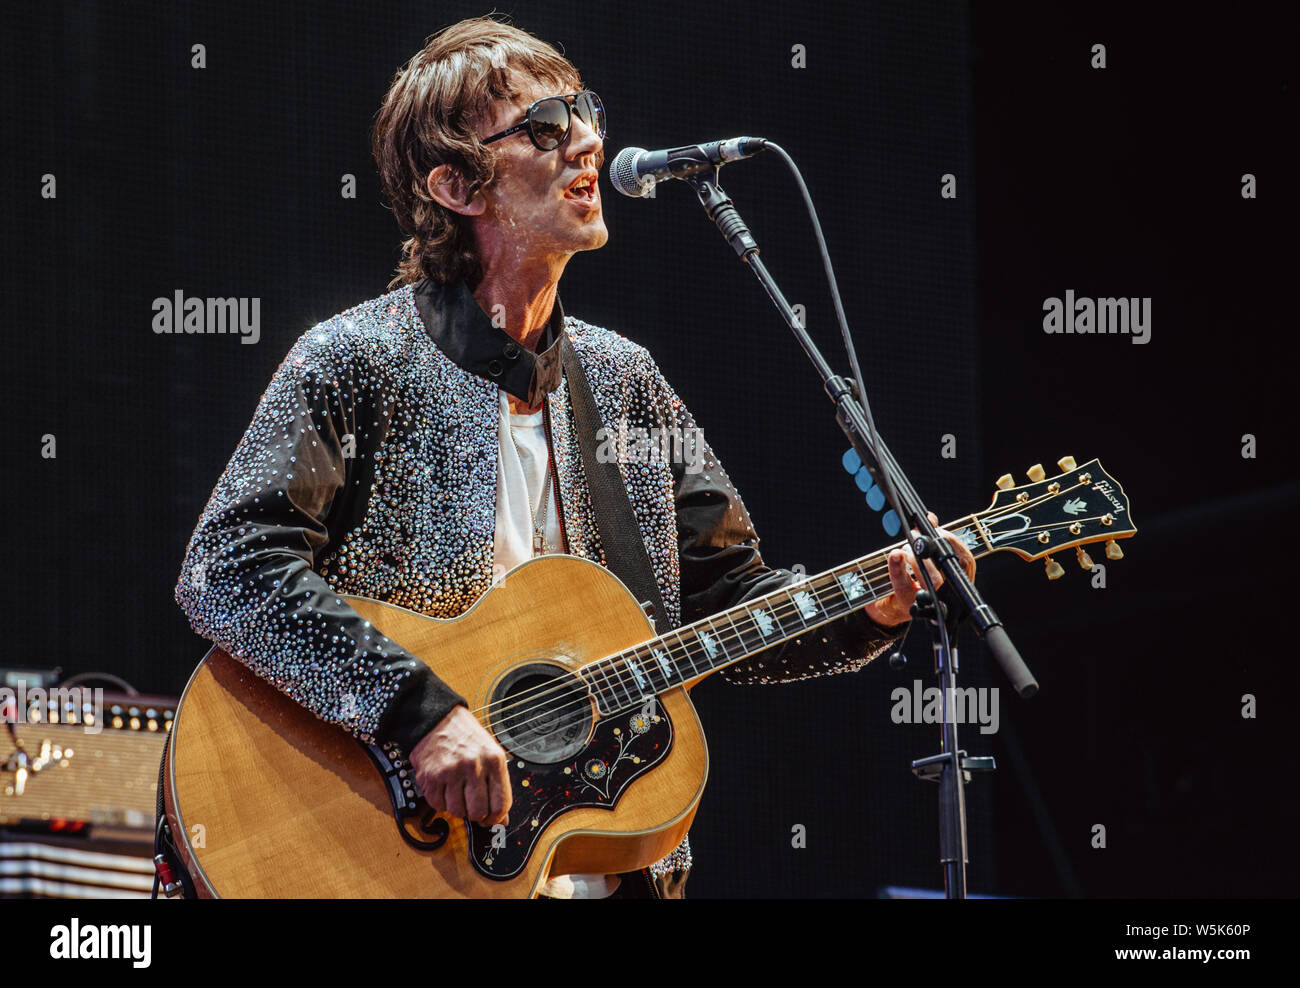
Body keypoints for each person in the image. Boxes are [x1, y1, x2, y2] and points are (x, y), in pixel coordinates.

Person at [173, 15, 976, 899]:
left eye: (584, 112)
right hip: (406, 854)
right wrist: (419, 714)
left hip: (607, 866)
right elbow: (228, 569)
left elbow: (730, 610)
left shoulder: (626, 381)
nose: (591, 140)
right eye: (546, 128)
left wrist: (880, 606)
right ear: (455, 185)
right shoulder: (355, 359)